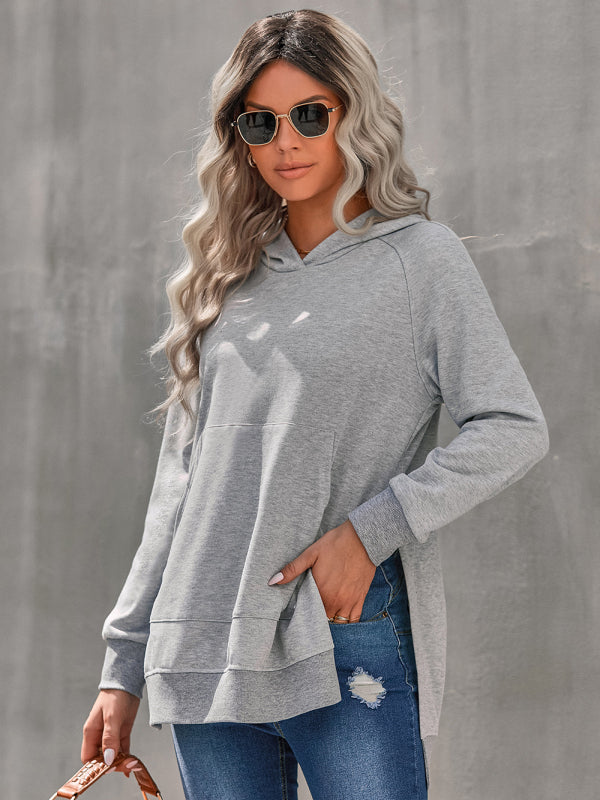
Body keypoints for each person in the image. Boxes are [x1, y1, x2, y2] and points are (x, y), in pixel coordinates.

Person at [81, 9, 550, 800]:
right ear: (239, 137)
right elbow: (179, 490)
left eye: (309, 114)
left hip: (340, 633)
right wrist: (122, 663)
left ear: (352, 113)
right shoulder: (226, 279)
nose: (285, 142)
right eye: (260, 122)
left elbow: (512, 426)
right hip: (203, 645)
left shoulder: (420, 261)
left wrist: (372, 531)